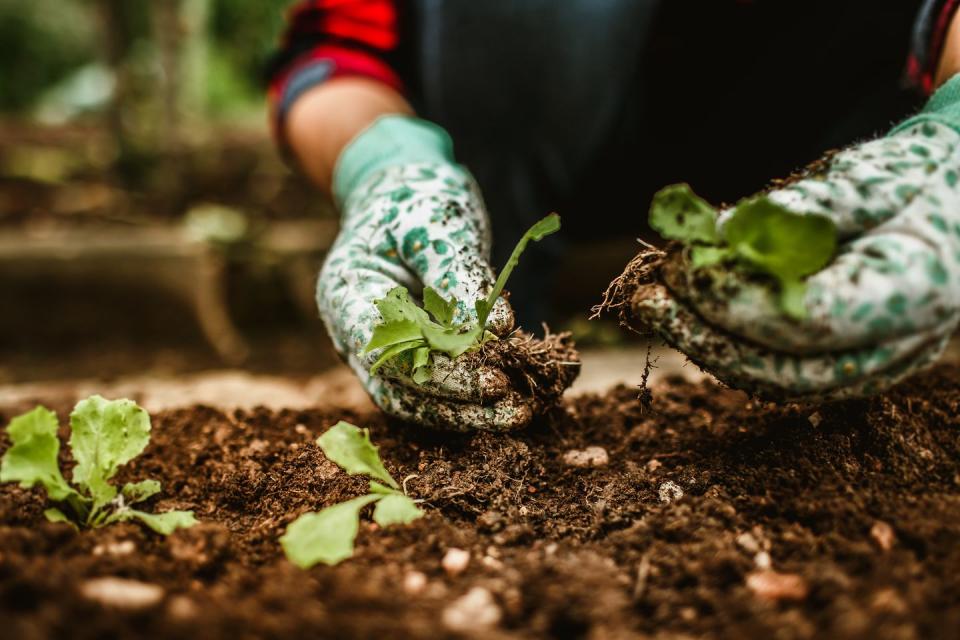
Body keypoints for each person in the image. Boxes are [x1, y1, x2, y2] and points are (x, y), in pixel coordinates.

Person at [266, 0, 960, 431]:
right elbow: (332, 54)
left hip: (834, 117)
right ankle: (503, 341)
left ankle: (832, 272)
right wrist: (385, 164)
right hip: (529, 141)